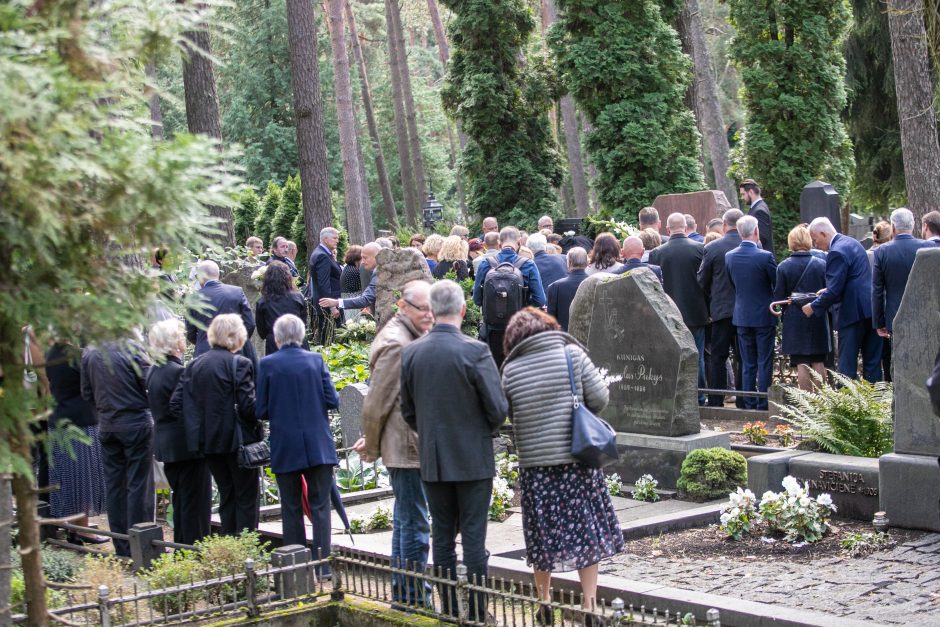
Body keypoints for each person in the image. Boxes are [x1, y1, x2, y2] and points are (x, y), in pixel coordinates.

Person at [501, 308, 623, 625]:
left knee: (542, 536)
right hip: (576, 461)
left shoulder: (510, 369)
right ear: (549, 327)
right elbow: (600, 399)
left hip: (535, 468)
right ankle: (590, 604)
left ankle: (544, 601)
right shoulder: (572, 355)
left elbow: (510, 416)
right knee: (585, 533)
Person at [401, 281, 508, 621]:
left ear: (431, 311)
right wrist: (481, 431)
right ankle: (477, 612)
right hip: (473, 458)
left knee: (442, 538)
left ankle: (447, 610)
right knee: (474, 540)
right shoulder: (474, 351)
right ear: (463, 310)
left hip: (434, 458)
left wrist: (432, 434)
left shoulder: (412, 353)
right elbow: (497, 408)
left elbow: (408, 411)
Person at [355, 281, 435, 608]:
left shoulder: (407, 335)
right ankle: (415, 599)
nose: (429, 315)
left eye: (432, 308)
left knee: (406, 522)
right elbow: (376, 403)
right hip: (407, 448)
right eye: (422, 309)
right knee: (415, 526)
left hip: (407, 445)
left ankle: (405, 596)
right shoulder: (396, 344)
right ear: (403, 306)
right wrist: (371, 447)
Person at [256, 315, 338, 565]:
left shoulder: (268, 364)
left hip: (286, 444)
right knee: (320, 507)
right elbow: (333, 400)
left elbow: (261, 410)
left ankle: (296, 567)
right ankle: (323, 565)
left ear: (277, 338)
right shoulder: (316, 360)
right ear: (302, 336)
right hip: (318, 443)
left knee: (290, 508)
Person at [173, 314, 261, 535]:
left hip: (209, 443)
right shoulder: (239, 363)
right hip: (238, 441)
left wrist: (198, 424)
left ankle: (229, 542)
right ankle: (245, 547)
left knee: (226, 494)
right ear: (237, 335)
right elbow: (248, 407)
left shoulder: (194, 365)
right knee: (246, 496)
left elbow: (176, 404)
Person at [81, 338, 154, 557]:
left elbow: (86, 393)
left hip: (107, 424)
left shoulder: (90, 352)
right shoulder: (132, 348)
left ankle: (121, 546)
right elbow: (148, 383)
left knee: (114, 486)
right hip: (136, 423)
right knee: (138, 485)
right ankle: (140, 544)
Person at [147, 319, 211, 545]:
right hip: (186, 447)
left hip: (167, 445)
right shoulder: (177, 372)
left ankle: (183, 546)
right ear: (174, 343)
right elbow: (187, 409)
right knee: (195, 503)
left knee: (182, 500)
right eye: (182, 336)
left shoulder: (154, 371)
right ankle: (194, 548)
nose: (185, 339)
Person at [44, 341, 108, 544]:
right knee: (81, 479)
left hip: (59, 418)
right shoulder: (77, 355)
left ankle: (73, 526)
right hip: (79, 420)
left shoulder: (50, 353)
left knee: (67, 478)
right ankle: (82, 530)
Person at [804, 217, 882, 382]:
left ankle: (845, 406)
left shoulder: (836, 251)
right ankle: (876, 403)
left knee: (846, 367)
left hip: (852, 313)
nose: (815, 245)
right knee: (873, 363)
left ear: (824, 234)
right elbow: (854, 277)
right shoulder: (852, 242)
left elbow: (834, 290)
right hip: (870, 309)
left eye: (815, 240)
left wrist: (813, 306)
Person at [650, 213, 708, 404]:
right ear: (685, 227)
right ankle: (698, 396)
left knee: (670, 355)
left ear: (667, 230)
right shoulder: (701, 249)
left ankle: (674, 396)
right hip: (696, 310)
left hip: (668, 312)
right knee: (697, 355)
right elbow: (706, 282)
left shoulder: (657, 253)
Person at [872, 208, 934, 382]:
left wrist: (879, 322)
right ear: (913, 225)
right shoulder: (927, 247)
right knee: (923, 363)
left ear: (893, 227)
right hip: (924, 316)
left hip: (895, 316)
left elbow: (877, 290)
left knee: (898, 365)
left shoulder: (882, 251)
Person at [472, 227, 547, 367]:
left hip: (492, 330)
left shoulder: (485, 263)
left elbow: (476, 299)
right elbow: (540, 300)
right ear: (519, 242)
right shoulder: (528, 265)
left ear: (499, 243)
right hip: (519, 329)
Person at [725, 216, 777, 410]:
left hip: (742, 315)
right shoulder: (765, 256)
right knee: (764, 360)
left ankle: (748, 401)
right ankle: (763, 401)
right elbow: (776, 282)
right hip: (764, 315)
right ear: (756, 231)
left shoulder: (729, 256)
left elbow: (733, 284)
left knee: (747, 362)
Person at [772, 226, 829, 391]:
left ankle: (806, 404)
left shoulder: (783, 267)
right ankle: (820, 403)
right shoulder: (822, 265)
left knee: (801, 362)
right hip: (817, 315)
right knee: (819, 360)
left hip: (795, 318)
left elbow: (779, 298)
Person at [697, 209, 744, 408]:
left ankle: (716, 400)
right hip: (744, 311)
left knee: (718, 356)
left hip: (721, 310)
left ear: (725, 225)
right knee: (744, 358)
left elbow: (702, 279)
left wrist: (712, 295)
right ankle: (744, 398)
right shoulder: (751, 244)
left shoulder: (713, 248)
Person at [186, 260, 257, 362]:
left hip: (204, 355)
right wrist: (237, 341)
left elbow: (191, 332)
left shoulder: (193, 298)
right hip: (234, 353)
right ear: (218, 274)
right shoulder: (237, 292)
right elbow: (250, 323)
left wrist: (203, 341)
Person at [256, 260, 308, 355]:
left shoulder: (262, 302)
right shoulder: (298, 297)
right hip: (298, 342)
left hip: (275, 344)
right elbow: (304, 323)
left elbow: (262, 332)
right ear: (288, 277)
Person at [320, 241, 381, 315]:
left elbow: (366, 299)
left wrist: (336, 302)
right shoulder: (378, 270)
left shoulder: (380, 272)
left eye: (365, 258)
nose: (362, 262)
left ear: (377, 256)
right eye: (362, 258)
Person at [307, 227, 343, 346]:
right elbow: (324, 283)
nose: (337, 241)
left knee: (331, 338)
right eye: (335, 238)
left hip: (328, 303)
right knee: (330, 340)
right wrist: (332, 307)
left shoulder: (323, 253)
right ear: (326, 239)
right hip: (328, 305)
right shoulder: (322, 255)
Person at [547, 247, 589, 332]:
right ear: (587, 262)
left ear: (569, 263)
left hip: (564, 338)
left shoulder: (555, 287)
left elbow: (550, 320)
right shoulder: (596, 284)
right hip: (589, 338)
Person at [739, 179, 773, 255]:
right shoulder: (758, 207)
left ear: (751, 192)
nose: (742, 197)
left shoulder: (759, 210)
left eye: (743, 194)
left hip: (761, 257)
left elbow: (762, 237)